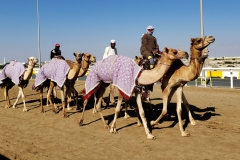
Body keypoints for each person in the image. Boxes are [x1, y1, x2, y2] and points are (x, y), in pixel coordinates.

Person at [102, 39, 117, 106]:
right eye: (112, 44)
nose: (113, 45)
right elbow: (105, 56)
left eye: (114, 44)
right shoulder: (107, 48)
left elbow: (116, 55)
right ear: (110, 44)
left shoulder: (115, 49)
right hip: (107, 63)